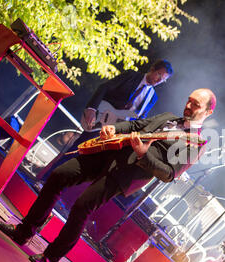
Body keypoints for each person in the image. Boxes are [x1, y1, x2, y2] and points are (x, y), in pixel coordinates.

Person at [0, 88, 216, 262]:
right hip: (107, 152)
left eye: (195, 104)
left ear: (208, 111)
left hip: (126, 174)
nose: (188, 106)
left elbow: (169, 174)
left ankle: (50, 256)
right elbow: (135, 125)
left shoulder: (195, 143)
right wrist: (113, 128)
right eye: (188, 100)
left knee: (82, 207)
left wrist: (143, 153)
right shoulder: (167, 117)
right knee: (58, 175)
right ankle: (24, 231)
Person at [36, 59, 173, 180]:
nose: (159, 80)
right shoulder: (132, 75)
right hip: (102, 118)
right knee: (75, 150)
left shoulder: (152, 97)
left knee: (88, 163)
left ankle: (57, 183)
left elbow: (139, 119)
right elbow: (104, 87)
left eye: (164, 79)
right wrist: (92, 108)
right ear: (152, 69)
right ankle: (46, 178)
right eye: (159, 75)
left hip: (115, 132)